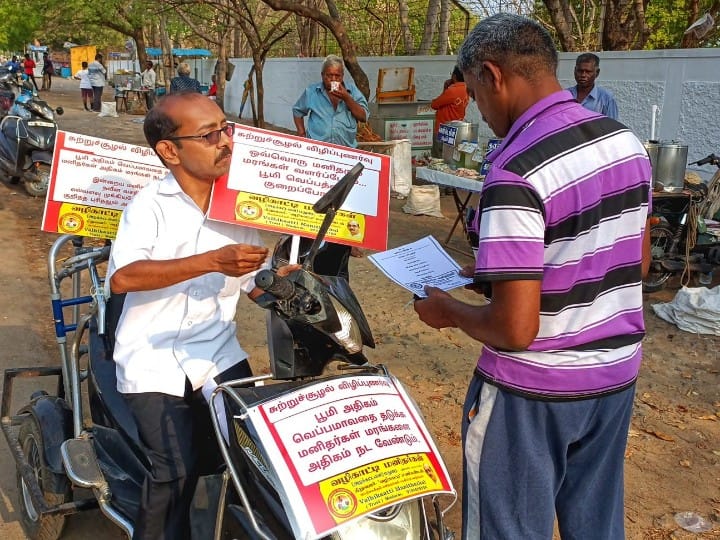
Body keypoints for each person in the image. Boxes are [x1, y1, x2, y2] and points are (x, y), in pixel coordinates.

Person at [414, 13, 652, 540]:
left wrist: (448, 311)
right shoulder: (625, 144)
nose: (476, 104)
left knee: (509, 527)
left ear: (493, 75)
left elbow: (515, 329)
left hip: (534, 391)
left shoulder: (516, 171)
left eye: (474, 90)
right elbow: (629, 262)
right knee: (594, 521)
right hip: (613, 376)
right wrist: (497, 271)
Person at [107, 92, 297, 539]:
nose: (225, 141)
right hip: (151, 360)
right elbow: (124, 278)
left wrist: (277, 283)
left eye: (226, 128)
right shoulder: (149, 205)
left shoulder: (240, 205)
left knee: (250, 455)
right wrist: (211, 261)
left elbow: (252, 281)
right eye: (209, 135)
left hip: (216, 353)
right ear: (169, 151)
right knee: (174, 469)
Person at [292, 54, 370, 274]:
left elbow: (363, 116)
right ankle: (314, 237)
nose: (332, 79)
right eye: (329, 75)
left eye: (337, 75)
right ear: (323, 76)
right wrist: (300, 131)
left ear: (342, 76)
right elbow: (297, 111)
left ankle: (349, 241)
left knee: (348, 200)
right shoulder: (311, 93)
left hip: (347, 157)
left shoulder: (352, 92)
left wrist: (346, 98)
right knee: (318, 197)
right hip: (320, 155)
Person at [430, 66, 470, 157]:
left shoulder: (452, 90)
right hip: (457, 129)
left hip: (443, 129)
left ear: (454, 76)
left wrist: (445, 89)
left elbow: (434, 105)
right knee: (452, 158)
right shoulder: (466, 89)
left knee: (438, 158)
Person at [567, 52, 619, 119]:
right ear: (574, 71)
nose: (583, 75)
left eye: (588, 72)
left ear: (597, 73)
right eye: (580, 71)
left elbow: (612, 127)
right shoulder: (566, 95)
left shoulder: (606, 99)